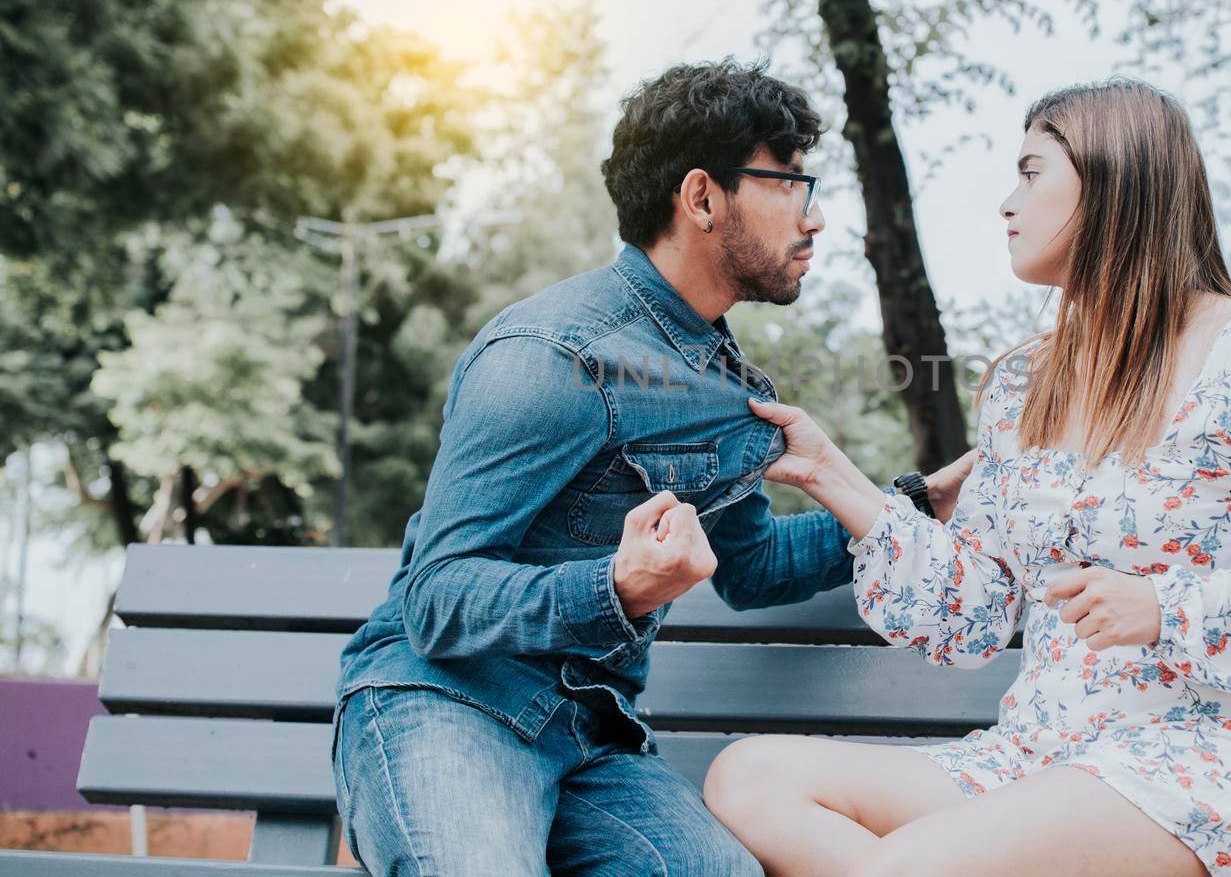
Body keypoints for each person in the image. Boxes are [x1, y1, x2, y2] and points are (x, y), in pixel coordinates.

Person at [705, 78, 1231, 877]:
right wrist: (834, 477)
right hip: (1034, 754)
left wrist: (1164, 607)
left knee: (902, 867)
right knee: (749, 778)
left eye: (1031, 172)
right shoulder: (1024, 385)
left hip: (1193, 764)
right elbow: (970, 618)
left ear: (1112, 182)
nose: (1007, 202)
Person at [330, 58, 976, 875]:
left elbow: (752, 566)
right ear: (702, 198)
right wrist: (617, 589)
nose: (813, 220)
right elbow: (436, 601)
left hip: (594, 739)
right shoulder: (550, 356)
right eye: (787, 185)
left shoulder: (728, 389)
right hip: (447, 703)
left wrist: (913, 508)